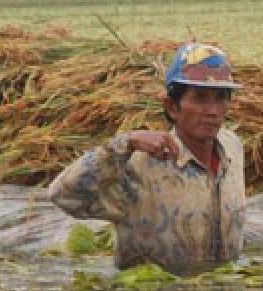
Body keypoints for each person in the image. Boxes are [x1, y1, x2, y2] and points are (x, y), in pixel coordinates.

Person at [48, 43, 245, 274]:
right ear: (172, 107)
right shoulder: (140, 164)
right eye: (200, 98)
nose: (212, 110)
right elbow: (63, 195)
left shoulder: (233, 149)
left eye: (221, 98)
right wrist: (123, 144)